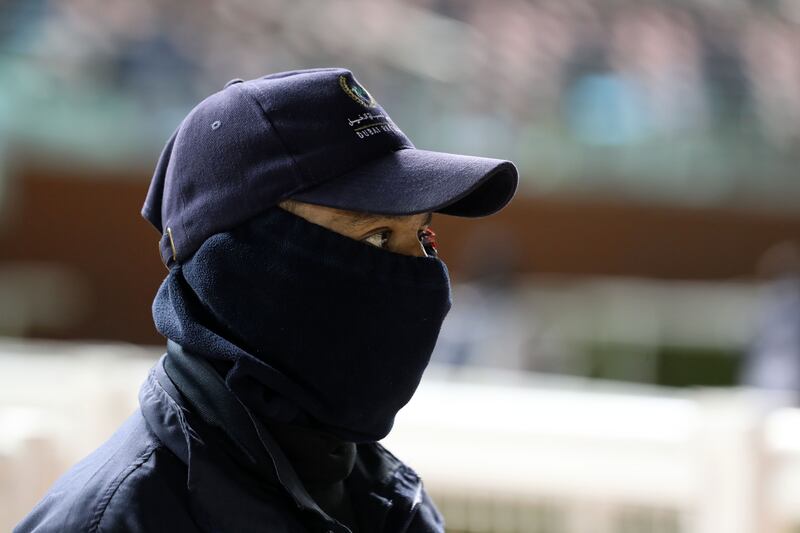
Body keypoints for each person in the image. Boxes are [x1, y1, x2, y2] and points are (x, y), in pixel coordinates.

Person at [15, 67, 518, 533]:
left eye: (424, 238)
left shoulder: (380, 498)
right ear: (239, 263)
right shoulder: (114, 519)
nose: (419, 271)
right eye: (377, 238)